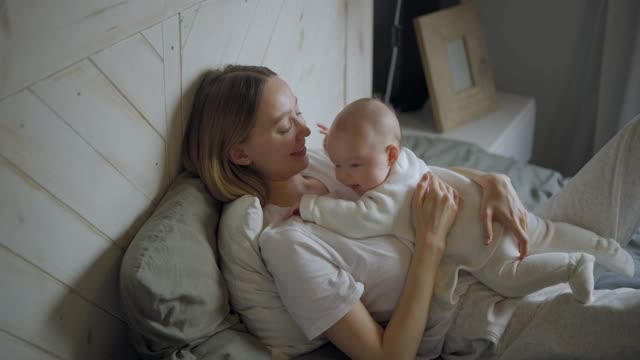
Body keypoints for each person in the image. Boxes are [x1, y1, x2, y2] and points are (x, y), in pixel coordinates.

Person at [182, 65, 640, 359]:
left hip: (502, 227)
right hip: (477, 309)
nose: (305, 128)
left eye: (298, 111)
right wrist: (432, 246)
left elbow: (404, 169)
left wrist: (489, 181)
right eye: (285, 126)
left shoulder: (320, 155)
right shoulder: (286, 242)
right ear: (240, 154)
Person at [292, 98, 634, 304]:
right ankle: (605, 247)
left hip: (484, 244)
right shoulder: (406, 161)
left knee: (509, 278)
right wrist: (340, 147)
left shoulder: (385, 199)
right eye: (336, 164)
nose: (343, 177)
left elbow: (358, 218)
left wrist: (311, 206)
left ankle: (573, 266)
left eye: (353, 166)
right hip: (502, 208)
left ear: (390, 154)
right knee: (546, 231)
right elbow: (364, 144)